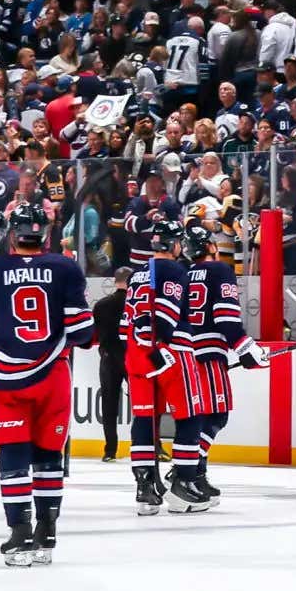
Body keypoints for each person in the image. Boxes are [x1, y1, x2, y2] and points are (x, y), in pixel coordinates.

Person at [0, 201, 91, 566]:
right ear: (45, 233)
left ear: (13, 234)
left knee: (13, 458)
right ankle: (48, 530)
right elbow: (84, 333)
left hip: (7, 380)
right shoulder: (66, 267)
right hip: (53, 376)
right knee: (48, 456)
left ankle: (20, 533)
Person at [166, 223, 267, 507]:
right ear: (211, 247)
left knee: (202, 416)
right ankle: (185, 470)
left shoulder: (184, 274)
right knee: (216, 415)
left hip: (185, 351)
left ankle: (196, 474)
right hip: (208, 354)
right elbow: (226, 318)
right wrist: (246, 348)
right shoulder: (221, 271)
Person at [122, 218, 187, 515]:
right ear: (174, 245)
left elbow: (126, 326)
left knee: (144, 420)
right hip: (160, 357)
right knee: (188, 415)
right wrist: (162, 348)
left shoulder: (137, 273)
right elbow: (163, 318)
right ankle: (186, 479)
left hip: (135, 356)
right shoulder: (173, 270)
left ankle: (145, 486)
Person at [91, 269, 129, 462]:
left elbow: (93, 336)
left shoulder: (101, 305)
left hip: (107, 357)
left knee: (109, 405)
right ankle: (153, 447)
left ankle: (110, 450)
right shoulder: (133, 303)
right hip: (130, 356)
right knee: (144, 404)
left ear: (115, 281)